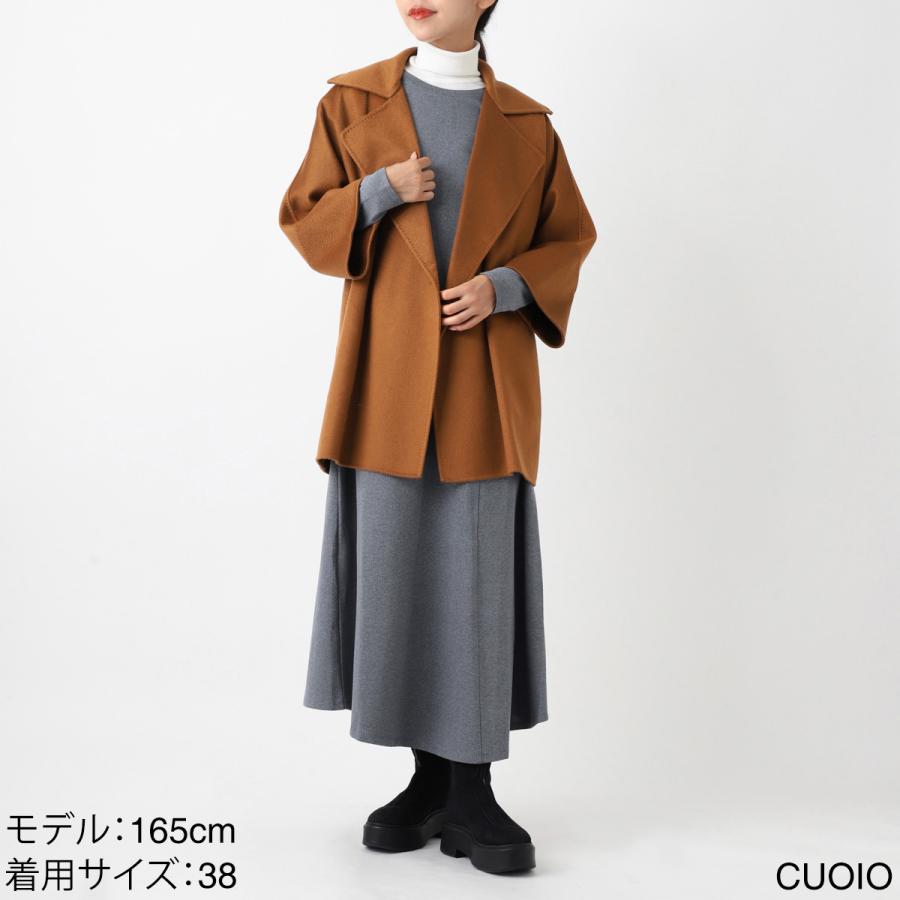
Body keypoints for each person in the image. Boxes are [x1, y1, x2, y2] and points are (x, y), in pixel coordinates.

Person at [278, 0, 596, 876]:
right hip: (384, 383)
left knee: (477, 580)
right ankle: (425, 783)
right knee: (398, 575)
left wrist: (505, 287)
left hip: (484, 386)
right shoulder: (352, 103)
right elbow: (304, 222)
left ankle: (472, 790)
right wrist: (380, 190)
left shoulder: (527, 125)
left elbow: (570, 238)